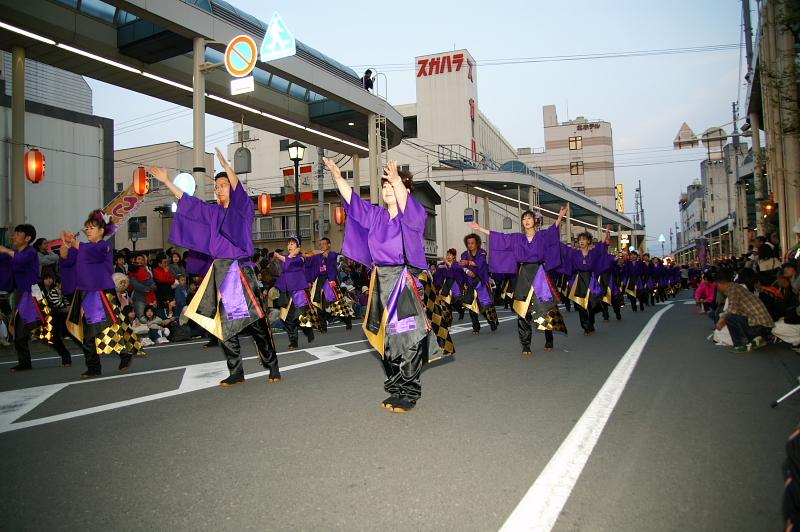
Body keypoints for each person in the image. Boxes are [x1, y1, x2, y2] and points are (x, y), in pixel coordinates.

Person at [325, 157, 448, 413]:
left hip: (405, 280)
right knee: (386, 339)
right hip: (381, 280)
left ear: (405, 190)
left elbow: (407, 206)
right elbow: (354, 203)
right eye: (385, 186)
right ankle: (395, 387)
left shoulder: (413, 214)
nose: (387, 189)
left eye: (392, 185)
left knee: (409, 338)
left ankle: (410, 392)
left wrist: (397, 180)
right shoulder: (376, 216)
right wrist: (338, 176)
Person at [151, 149, 279, 386]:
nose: (218, 189)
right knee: (224, 325)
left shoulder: (242, 209)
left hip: (241, 272)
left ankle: (272, 365)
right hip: (221, 271)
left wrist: (227, 167)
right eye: (216, 186)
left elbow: (239, 190)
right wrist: (167, 181)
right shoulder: (213, 212)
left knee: (255, 324)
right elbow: (189, 203)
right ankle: (236, 371)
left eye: (222, 185)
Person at [469, 207, 567, 356]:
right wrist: (480, 229)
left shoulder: (542, 236)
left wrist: (559, 217)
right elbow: (500, 237)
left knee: (545, 308)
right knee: (523, 310)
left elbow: (553, 231)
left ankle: (549, 338)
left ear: (535, 221)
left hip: (539, 273)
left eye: (529, 218)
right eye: (524, 219)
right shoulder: (517, 238)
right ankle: (526, 344)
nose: (526, 221)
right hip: (524, 274)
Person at [61, 211, 137, 378]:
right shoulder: (82, 248)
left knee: (109, 328)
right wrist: (66, 243)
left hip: (102, 292)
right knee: (87, 332)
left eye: (92, 227)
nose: (88, 230)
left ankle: (124, 354)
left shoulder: (104, 246)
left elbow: (90, 252)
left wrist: (74, 243)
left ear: (101, 230)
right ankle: (93, 366)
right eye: (86, 228)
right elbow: (65, 258)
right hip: (84, 293)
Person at [0, 225, 73, 371]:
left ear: (27, 238)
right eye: (14, 234)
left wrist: (6, 251)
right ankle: (24, 362)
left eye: (18, 234)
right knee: (19, 332)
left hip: (35, 295)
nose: (13, 236)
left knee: (46, 331)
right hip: (21, 295)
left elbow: (21, 260)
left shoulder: (31, 252)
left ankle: (65, 354)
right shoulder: (13, 253)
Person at [564, 229, 611, 335]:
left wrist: (606, 234)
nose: (581, 241)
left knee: (592, 304)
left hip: (591, 279)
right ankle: (586, 327)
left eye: (584, 239)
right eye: (580, 239)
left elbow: (600, 246)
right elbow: (563, 250)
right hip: (579, 279)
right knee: (581, 305)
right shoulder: (574, 253)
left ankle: (591, 322)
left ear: (588, 241)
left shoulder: (593, 253)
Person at [715, 269, 774, 352]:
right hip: (763, 325)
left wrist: (721, 320)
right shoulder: (735, 287)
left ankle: (742, 344)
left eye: (717, 284)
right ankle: (758, 338)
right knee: (729, 318)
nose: (717, 287)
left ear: (720, 283)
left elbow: (732, 310)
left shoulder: (733, 289)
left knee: (729, 318)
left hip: (759, 325)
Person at [274, 235, 317, 349]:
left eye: (292, 244)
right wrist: (286, 256)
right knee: (287, 319)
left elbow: (290, 264)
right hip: (287, 292)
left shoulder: (301, 258)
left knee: (300, 316)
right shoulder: (285, 259)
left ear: (298, 247)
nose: (289, 246)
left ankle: (308, 330)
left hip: (299, 291)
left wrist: (287, 256)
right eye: (288, 244)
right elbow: (286, 265)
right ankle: (293, 342)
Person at [306, 237, 354, 331]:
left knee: (337, 304)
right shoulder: (316, 257)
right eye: (320, 244)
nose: (321, 246)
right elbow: (308, 263)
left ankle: (347, 321)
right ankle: (323, 327)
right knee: (319, 304)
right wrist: (309, 281)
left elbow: (331, 258)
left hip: (330, 280)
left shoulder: (333, 255)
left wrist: (320, 253)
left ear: (329, 245)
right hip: (319, 281)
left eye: (324, 244)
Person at [461, 233, 499, 335]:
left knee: (485, 305)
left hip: (481, 281)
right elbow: (461, 265)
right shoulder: (464, 254)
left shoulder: (482, 252)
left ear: (477, 243)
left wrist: (468, 263)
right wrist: (467, 271)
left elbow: (480, 263)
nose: (470, 245)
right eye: (468, 243)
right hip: (470, 283)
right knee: (471, 305)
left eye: (472, 243)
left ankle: (491, 322)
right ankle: (476, 327)